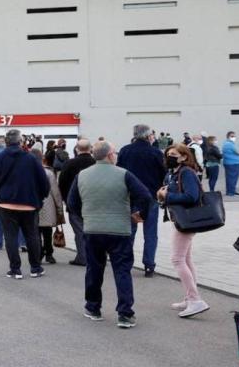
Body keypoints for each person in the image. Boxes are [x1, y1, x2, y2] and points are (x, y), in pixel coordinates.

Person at [67, 140, 152, 329]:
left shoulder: (82, 176)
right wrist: (139, 214)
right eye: (114, 152)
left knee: (94, 269)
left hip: (93, 229)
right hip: (119, 229)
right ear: (110, 155)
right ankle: (125, 313)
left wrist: (87, 215)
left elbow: (72, 203)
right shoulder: (123, 174)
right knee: (122, 270)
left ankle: (93, 307)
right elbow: (145, 196)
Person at [0, 129, 50, 279]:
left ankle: (15, 269)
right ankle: (35, 267)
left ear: (6, 142)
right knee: (32, 236)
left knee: (10, 237)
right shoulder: (31, 158)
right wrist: (39, 197)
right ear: (21, 141)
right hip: (29, 203)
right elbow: (44, 182)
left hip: (6, 203)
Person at [158, 144, 210, 318]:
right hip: (180, 219)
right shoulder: (174, 172)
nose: (169, 157)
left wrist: (168, 196)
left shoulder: (186, 172)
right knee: (186, 259)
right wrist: (162, 195)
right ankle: (190, 298)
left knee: (177, 259)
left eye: (173, 154)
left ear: (184, 157)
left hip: (187, 220)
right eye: (167, 154)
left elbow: (191, 196)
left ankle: (195, 300)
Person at [116, 124, 166, 277]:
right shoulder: (156, 152)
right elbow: (163, 173)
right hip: (151, 197)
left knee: (129, 232)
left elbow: (119, 172)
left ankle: (126, 263)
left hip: (130, 197)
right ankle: (149, 265)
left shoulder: (125, 151)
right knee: (150, 233)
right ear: (148, 135)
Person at [58, 139, 96, 266]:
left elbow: (61, 183)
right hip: (94, 203)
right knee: (95, 230)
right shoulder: (96, 163)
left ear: (77, 149)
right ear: (90, 149)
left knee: (79, 232)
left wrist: (66, 200)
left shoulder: (69, 164)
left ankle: (82, 257)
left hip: (75, 203)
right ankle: (97, 256)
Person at [36, 150, 64, 265]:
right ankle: (49, 253)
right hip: (47, 205)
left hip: (34, 205)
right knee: (47, 231)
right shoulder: (49, 173)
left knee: (35, 232)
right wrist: (59, 208)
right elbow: (55, 192)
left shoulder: (27, 172)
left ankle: (38, 253)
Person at [223, 131, 239, 196]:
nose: (234, 137)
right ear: (228, 136)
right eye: (232, 136)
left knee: (233, 178)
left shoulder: (230, 143)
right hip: (232, 163)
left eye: (234, 136)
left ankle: (232, 190)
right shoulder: (229, 144)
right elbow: (237, 152)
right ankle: (230, 192)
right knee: (231, 178)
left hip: (233, 163)